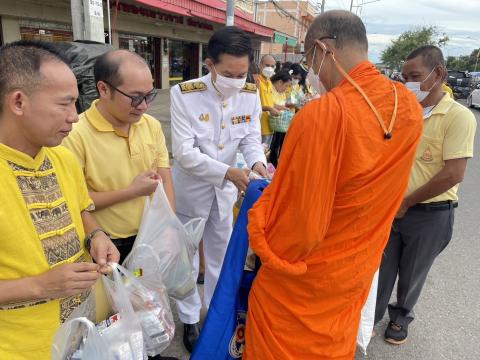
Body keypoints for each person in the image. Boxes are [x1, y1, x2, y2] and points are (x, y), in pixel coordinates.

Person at [244, 10, 423, 359]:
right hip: (357, 269)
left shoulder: (323, 114)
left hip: (305, 283)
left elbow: (297, 226)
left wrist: (258, 224)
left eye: (309, 59)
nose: (311, 71)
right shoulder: (409, 109)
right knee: (335, 341)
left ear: (324, 49)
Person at [0, 40, 119, 359]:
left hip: (82, 336)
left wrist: (96, 235)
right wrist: (39, 286)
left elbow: (81, 211)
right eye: (64, 104)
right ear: (19, 102)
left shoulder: (62, 159)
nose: (75, 117)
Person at [170, 26, 268, 353]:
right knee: (187, 259)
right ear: (210, 64)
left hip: (226, 193)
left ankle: (214, 317)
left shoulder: (251, 94)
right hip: (192, 191)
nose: (237, 80)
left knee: (220, 258)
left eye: (243, 73)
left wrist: (256, 164)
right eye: (228, 73)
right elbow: (184, 153)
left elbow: (252, 138)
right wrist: (228, 172)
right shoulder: (184, 94)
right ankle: (188, 318)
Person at [375, 45, 476, 345]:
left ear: (439, 74)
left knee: (412, 272)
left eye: (415, 76)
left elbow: (453, 173)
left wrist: (408, 201)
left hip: (430, 213)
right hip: (392, 208)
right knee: (381, 268)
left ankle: (400, 318)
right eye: (405, 77)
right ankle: (371, 316)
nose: (409, 83)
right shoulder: (403, 111)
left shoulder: (458, 116)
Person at [63, 50, 175, 264]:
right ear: (103, 89)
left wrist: (169, 225)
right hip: (105, 243)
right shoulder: (76, 133)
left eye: (149, 95)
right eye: (135, 97)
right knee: (112, 297)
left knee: (148, 296)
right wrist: (132, 192)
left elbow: (165, 178)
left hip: (150, 235)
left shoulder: (150, 125)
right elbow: (76, 202)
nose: (143, 105)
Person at [268, 70, 293, 167]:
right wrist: (282, 107)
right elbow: (270, 104)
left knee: (277, 144)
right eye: (286, 86)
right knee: (272, 145)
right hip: (271, 122)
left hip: (280, 123)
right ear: (279, 82)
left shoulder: (281, 93)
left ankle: (274, 164)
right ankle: (272, 164)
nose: (286, 89)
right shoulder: (271, 89)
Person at [258, 54, 278, 145]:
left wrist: (280, 108)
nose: (270, 68)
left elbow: (270, 102)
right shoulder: (257, 81)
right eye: (267, 65)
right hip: (259, 126)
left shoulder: (269, 82)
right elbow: (254, 105)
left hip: (270, 125)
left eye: (272, 66)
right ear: (260, 65)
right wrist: (270, 109)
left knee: (266, 153)